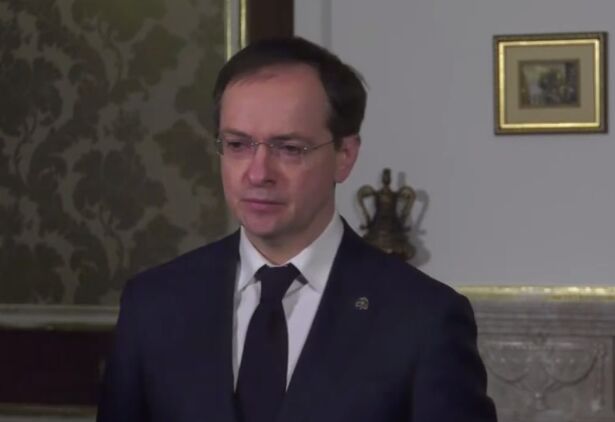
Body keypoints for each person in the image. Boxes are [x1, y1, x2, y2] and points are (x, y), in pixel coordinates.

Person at [97, 36, 497, 422]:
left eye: (289, 148)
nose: (258, 173)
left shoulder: (423, 319)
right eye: (237, 145)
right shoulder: (153, 305)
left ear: (345, 155)